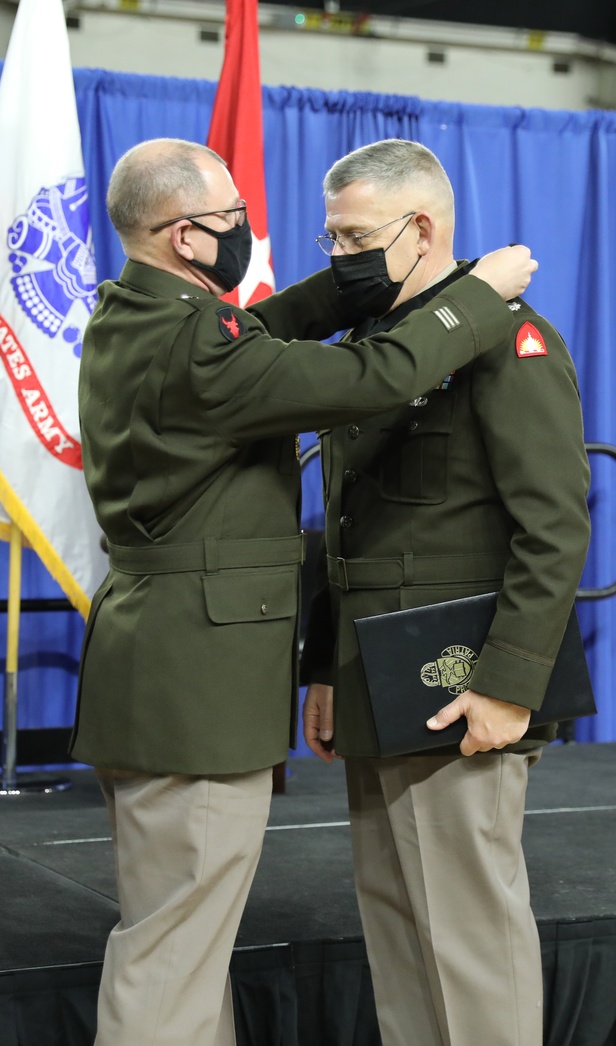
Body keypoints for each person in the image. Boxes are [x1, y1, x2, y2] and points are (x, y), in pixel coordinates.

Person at [70, 137, 539, 1046]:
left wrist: (352, 282)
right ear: (186, 239)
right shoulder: (197, 346)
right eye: (233, 220)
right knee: (172, 954)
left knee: (184, 953)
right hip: (194, 688)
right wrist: (478, 296)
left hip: (156, 663)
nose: (251, 231)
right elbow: (376, 376)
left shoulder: (137, 312)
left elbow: (265, 327)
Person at [300, 139, 591, 1046]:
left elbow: (555, 526)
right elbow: (345, 523)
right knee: (395, 923)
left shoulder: (509, 337)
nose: (337, 258)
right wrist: (323, 669)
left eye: (353, 239)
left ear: (420, 228)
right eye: (330, 239)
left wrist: (508, 683)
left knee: (469, 934)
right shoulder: (376, 342)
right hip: (376, 679)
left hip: (461, 684)